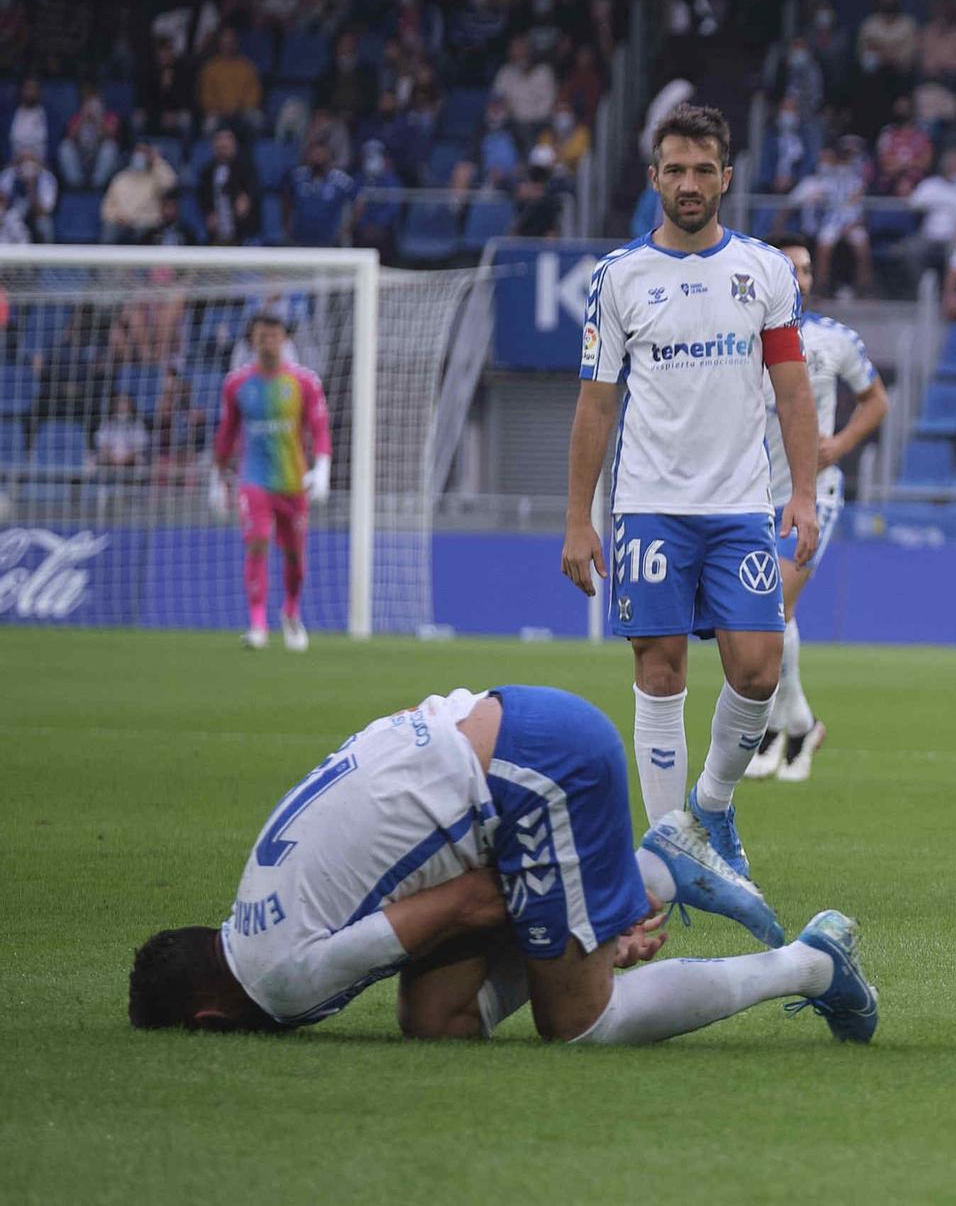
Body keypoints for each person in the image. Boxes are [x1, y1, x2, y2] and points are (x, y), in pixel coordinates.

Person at [127, 684, 876, 1045]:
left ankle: (808, 961)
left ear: (206, 1019)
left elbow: (469, 903)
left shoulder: (279, 980)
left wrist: (594, 931)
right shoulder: (248, 910)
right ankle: (652, 870)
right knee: (436, 1018)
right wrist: (575, 922)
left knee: (578, 1020)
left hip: (534, 772)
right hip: (503, 741)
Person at [560, 105, 820, 881]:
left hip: (740, 505)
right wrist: (579, 517)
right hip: (647, 507)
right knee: (660, 669)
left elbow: (794, 390)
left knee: (758, 670)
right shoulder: (619, 277)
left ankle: (711, 807)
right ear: (654, 179)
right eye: (675, 169)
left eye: (704, 169)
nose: (689, 183)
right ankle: (671, 851)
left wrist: (802, 492)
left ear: (727, 177)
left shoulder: (765, 270)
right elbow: (596, 402)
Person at [745, 234, 891, 783]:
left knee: (771, 606)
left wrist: (840, 446)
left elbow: (877, 401)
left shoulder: (833, 340)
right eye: (789, 269)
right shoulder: (741, 340)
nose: (800, 279)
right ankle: (799, 725)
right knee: (768, 616)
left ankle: (773, 729)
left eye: (806, 270)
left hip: (813, 496)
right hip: (753, 497)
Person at [212, 313, 331, 652]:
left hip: (293, 482)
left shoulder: (304, 382)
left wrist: (321, 468)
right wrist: (216, 477)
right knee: (257, 542)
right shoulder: (237, 384)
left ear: (284, 340)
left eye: (274, 336)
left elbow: (319, 428)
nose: (268, 342)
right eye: (262, 336)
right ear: (253, 340)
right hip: (254, 479)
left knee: (294, 555)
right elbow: (226, 434)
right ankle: (257, 623)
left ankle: (291, 612)